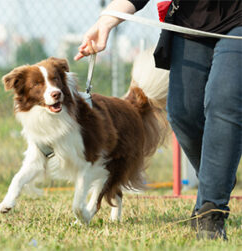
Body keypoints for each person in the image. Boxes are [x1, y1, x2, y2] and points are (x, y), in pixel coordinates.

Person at [74, 0, 242, 240]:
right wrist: (106, 22)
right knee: (182, 113)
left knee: (223, 99)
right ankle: (217, 175)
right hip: (191, 22)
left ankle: (210, 212)